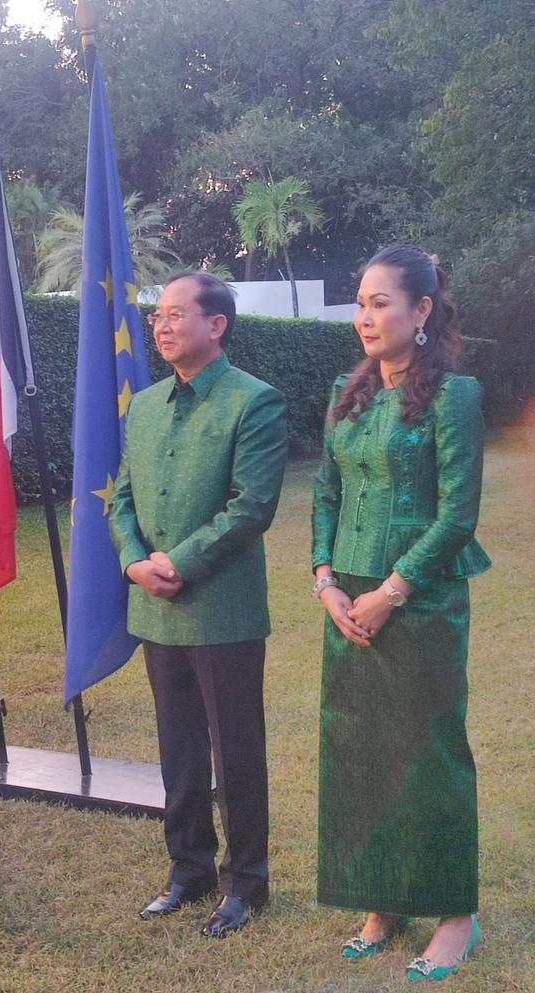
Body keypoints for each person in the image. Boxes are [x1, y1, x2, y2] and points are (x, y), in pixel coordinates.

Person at [312, 245, 491, 982]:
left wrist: (391, 591)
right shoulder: (343, 392)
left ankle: (455, 914)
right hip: (346, 599)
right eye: (360, 301)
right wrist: (325, 581)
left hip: (418, 600)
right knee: (360, 751)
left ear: (420, 311)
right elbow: (325, 493)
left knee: (430, 754)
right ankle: (382, 900)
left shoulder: (455, 396)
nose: (364, 315)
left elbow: (457, 515)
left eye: (381, 301)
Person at [109, 271, 288, 938]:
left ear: (216, 324)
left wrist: (177, 563)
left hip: (223, 610)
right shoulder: (147, 405)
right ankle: (189, 871)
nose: (161, 325)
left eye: (176, 314)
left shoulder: (255, 402)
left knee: (235, 747)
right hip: (156, 608)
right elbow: (121, 495)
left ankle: (248, 882)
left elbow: (252, 505)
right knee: (177, 746)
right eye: (157, 315)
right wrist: (133, 560)